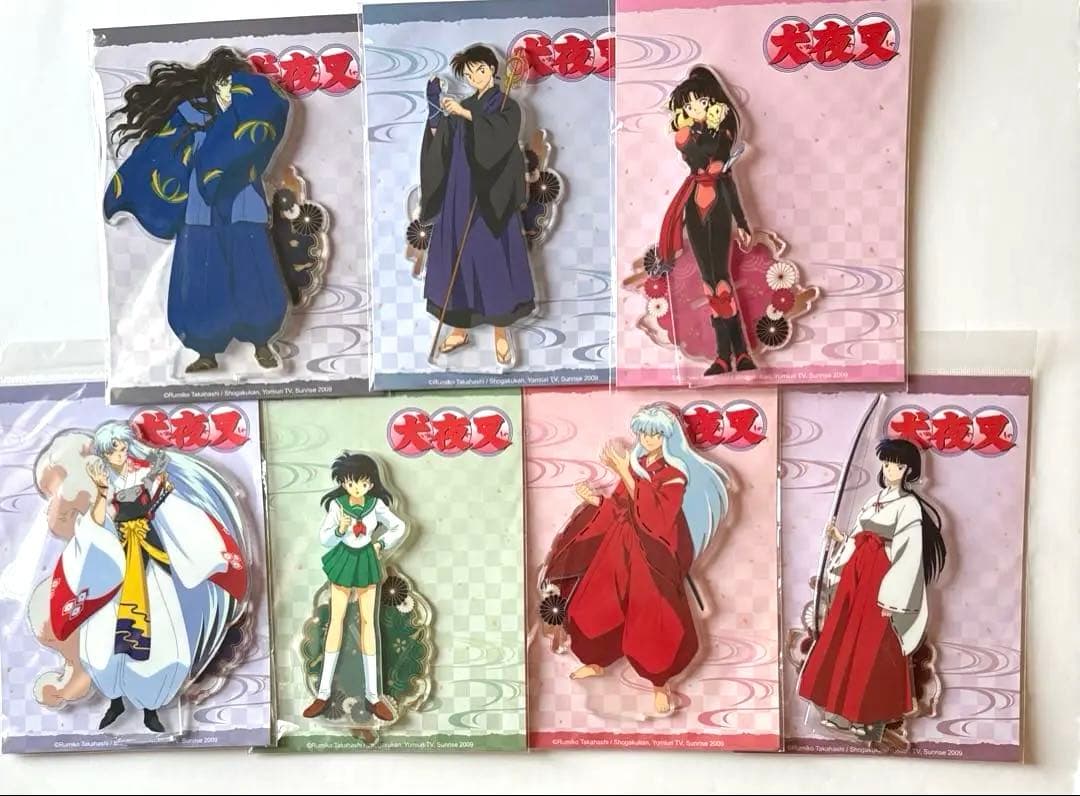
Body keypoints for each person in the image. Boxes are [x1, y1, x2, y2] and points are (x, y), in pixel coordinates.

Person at [42, 421, 248, 732]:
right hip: (118, 563)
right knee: (107, 631)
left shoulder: (145, 475)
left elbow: (167, 508)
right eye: (114, 450)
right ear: (104, 454)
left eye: (123, 448)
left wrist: (162, 494)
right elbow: (98, 520)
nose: (120, 454)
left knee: (160, 625)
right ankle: (115, 699)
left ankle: (151, 707)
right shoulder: (102, 481)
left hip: (150, 558)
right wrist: (101, 493)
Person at [103, 47, 290, 373]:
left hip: (243, 201)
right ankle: (205, 349)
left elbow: (269, 111)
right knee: (200, 277)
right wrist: (128, 188)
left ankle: (262, 341)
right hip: (201, 208)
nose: (229, 89)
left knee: (254, 270)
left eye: (235, 82)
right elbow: (160, 150)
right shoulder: (190, 113)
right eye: (224, 81)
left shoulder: (249, 113)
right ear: (213, 82)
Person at [540, 403, 728, 714]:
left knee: (652, 616)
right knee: (595, 601)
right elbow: (620, 506)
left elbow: (655, 518)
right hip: (619, 545)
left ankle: (660, 684)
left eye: (655, 434)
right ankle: (596, 659)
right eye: (643, 433)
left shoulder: (675, 474)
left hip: (651, 553)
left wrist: (625, 471)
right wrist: (596, 499)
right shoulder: (637, 464)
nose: (648, 439)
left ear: (669, 436)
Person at [797, 437, 947, 738]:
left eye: (898, 465)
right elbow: (858, 536)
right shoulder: (872, 500)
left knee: (872, 645)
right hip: (856, 576)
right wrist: (840, 539)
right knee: (844, 640)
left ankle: (867, 717)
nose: (891, 470)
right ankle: (839, 711)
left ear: (908, 470)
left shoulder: (909, 506)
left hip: (882, 580)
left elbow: (909, 553)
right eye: (887, 463)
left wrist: (895, 596)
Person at [418, 44, 535, 366]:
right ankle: (459, 328)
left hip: (490, 198)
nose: (475, 77)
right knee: (459, 258)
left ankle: (501, 332)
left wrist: (465, 114)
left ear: (493, 69)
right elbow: (442, 143)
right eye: (469, 74)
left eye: (480, 70)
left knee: (491, 259)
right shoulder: (464, 106)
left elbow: (502, 138)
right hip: (459, 194)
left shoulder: (506, 106)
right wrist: (434, 111)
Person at [656, 66, 755, 375]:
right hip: (694, 206)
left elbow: (725, 175)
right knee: (709, 282)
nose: (693, 109)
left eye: (698, 102)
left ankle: (738, 353)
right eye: (688, 105)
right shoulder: (691, 135)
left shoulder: (721, 133)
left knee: (720, 280)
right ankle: (726, 355)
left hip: (718, 205)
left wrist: (742, 222)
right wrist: (688, 128)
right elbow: (691, 155)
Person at [302, 453, 406, 722]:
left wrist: (380, 544)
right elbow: (324, 538)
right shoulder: (337, 506)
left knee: (369, 624)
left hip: (367, 561)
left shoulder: (375, 505)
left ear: (371, 482)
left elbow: (399, 526)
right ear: (343, 483)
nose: (356, 487)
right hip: (344, 559)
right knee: (336, 621)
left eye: (361, 482)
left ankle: (373, 696)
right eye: (350, 482)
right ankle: (323, 694)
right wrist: (340, 530)